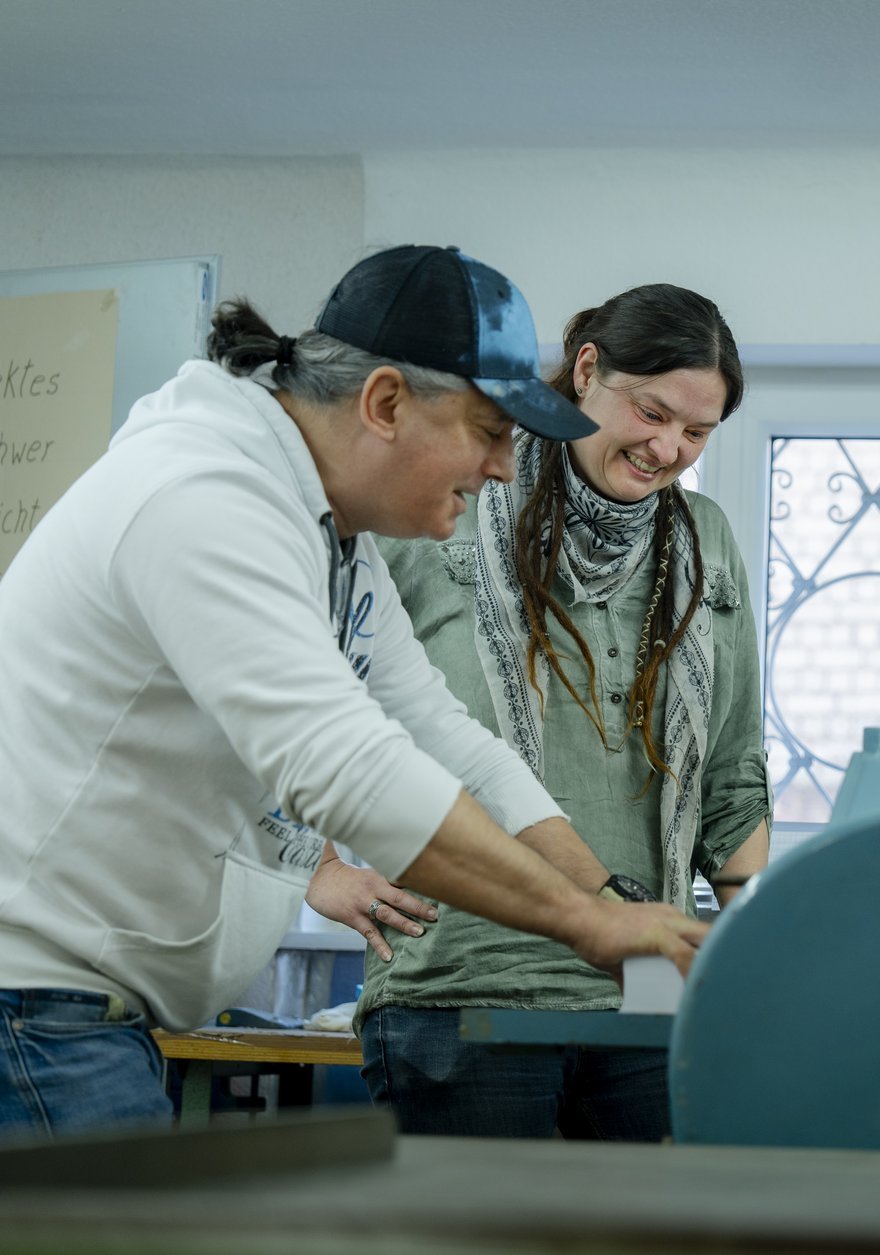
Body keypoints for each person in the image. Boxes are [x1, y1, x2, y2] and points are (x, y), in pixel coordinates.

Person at [0, 245, 708, 1140]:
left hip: (76, 1011)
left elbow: (442, 735)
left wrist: (610, 904)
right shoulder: (204, 498)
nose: (500, 468)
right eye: (489, 431)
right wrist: (582, 924)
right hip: (28, 1004)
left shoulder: (328, 537)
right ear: (384, 403)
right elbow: (346, 769)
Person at [307, 284, 771, 1140]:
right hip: (458, 987)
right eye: (652, 411)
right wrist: (315, 864)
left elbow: (733, 777)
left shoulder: (703, 538)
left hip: (645, 993)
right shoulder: (443, 502)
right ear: (587, 369)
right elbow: (307, 700)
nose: (669, 447)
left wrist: (747, 953)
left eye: (698, 432)